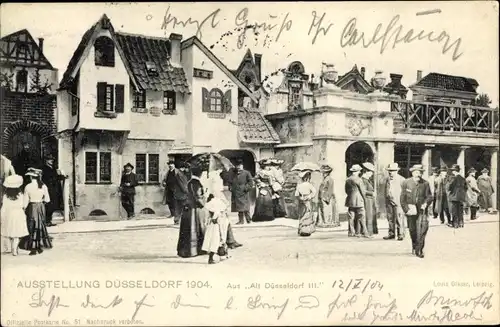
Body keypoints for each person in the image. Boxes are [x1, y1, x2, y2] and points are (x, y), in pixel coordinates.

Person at [400, 164, 433, 259]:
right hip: (411, 210)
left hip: (422, 211)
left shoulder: (425, 183)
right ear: (412, 172)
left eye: (420, 172)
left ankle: (420, 249)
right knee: (412, 230)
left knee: (422, 230)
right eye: (416, 172)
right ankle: (414, 245)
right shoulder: (406, 182)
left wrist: (426, 203)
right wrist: (406, 209)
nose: (418, 174)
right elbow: (402, 198)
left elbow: (430, 196)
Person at [206, 168, 242, 249]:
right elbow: (217, 192)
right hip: (217, 202)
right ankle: (227, 242)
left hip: (214, 201)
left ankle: (230, 241)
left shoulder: (213, 176)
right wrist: (225, 202)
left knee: (223, 223)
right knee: (221, 223)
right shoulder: (215, 177)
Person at [177, 165, 206, 258]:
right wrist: (204, 202)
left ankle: (186, 251)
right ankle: (196, 250)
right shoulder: (197, 183)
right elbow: (197, 197)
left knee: (187, 229)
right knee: (196, 228)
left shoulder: (190, 182)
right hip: (195, 209)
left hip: (188, 209)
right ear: (200, 174)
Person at [23, 168, 53, 255]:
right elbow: (47, 200)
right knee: (40, 225)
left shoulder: (28, 186)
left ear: (31, 177)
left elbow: (25, 202)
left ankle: (33, 248)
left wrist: (24, 208)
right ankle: (39, 246)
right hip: (40, 206)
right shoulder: (43, 186)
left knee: (32, 226)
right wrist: (41, 199)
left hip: (32, 207)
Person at [1, 175, 29, 256]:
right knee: (17, 233)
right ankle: (15, 249)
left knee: (10, 231)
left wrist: (2, 215)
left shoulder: (5, 196)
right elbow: (24, 205)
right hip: (18, 214)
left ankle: (12, 247)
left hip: (9, 214)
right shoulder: (20, 195)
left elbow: (4, 206)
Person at [203, 197, 230, 264]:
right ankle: (211, 259)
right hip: (216, 230)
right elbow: (221, 221)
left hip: (212, 229)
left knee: (215, 243)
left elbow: (207, 221)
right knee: (215, 243)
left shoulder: (210, 212)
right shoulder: (217, 213)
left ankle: (222, 255)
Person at [382, 163, 406, 241]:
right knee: (390, 218)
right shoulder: (387, 179)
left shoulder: (401, 179)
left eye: (392, 171)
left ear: (396, 171)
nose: (390, 172)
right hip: (389, 202)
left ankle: (401, 234)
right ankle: (391, 234)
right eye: (389, 171)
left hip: (398, 202)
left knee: (399, 218)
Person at [345, 164, 368, 238]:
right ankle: (365, 233)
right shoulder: (359, 179)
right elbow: (363, 191)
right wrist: (365, 200)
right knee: (362, 216)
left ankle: (351, 232)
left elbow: (346, 190)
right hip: (359, 200)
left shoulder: (348, 179)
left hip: (350, 200)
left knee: (351, 217)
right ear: (357, 171)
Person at [41, 154, 64, 227]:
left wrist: (62, 177)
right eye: (49, 159)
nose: (51, 161)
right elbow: (46, 179)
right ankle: (47, 221)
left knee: (53, 206)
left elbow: (56, 177)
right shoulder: (44, 169)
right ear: (46, 161)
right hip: (48, 189)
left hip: (54, 189)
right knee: (48, 206)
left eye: (52, 160)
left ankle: (49, 220)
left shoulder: (53, 168)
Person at [230, 159, 254, 225]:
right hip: (236, 192)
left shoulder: (247, 173)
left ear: (242, 166)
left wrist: (246, 188)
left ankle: (248, 219)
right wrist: (231, 187)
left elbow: (251, 182)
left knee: (245, 206)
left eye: (240, 165)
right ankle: (241, 221)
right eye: (237, 165)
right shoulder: (234, 173)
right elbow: (231, 181)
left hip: (244, 192)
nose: (238, 167)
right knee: (239, 207)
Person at [295, 170, 317, 237]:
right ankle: (307, 230)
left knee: (302, 214)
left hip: (301, 201)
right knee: (308, 213)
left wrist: (300, 198)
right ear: (307, 178)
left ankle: (301, 229)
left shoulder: (299, 185)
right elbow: (314, 192)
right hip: (307, 200)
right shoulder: (309, 185)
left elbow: (296, 194)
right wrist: (309, 196)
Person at [448, 164, 467, 228]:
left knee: (454, 211)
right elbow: (466, 187)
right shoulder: (463, 178)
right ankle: (461, 223)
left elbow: (450, 187)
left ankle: (455, 224)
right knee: (460, 210)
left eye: (453, 170)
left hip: (454, 197)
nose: (452, 172)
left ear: (454, 171)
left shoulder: (453, 178)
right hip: (461, 197)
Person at [361, 162, 377, 237]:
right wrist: (372, 193)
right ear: (366, 172)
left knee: (371, 216)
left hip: (370, 200)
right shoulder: (363, 180)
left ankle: (370, 231)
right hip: (367, 200)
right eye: (370, 172)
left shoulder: (367, 180)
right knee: (368, 216)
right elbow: (363, 191)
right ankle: (367, 232)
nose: (372, 174)